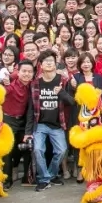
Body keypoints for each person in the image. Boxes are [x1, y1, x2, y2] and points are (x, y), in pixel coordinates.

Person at [28, 51, 73, 192]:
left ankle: (52, 174)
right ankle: (44, 179)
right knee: (38, 149)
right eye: (45, 61)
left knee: (61, 151)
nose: (48, 63)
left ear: (55, 63)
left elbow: (72, 101)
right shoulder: (35, 83)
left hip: (57, 124)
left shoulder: (63, 81)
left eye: (51, 61)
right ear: (40, 65)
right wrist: (28, 131)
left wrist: (61, 92)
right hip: (40, 124)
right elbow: (31, 108)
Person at [2, 60, 35, 188]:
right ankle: (7, 180)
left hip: (24, 120)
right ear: (18, 72)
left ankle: (27, 177)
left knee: (28, 145)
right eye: (24, 71)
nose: (27, 74)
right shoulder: (10, 85)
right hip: (8, 120)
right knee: (8, 150)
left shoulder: (32, 86)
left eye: (30, 71)